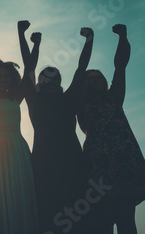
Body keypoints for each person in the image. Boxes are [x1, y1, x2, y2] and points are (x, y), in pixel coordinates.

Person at [18, 20, 93, 234]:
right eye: (46, 78)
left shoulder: (68, 99)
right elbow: (29, 67)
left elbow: (81, 68)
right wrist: (24, 36)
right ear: (40, 82)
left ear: (60, 81)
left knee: (79, 216)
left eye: (55, 78)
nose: (51, 81)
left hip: (73, 162)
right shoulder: (34, 100)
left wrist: (89, 39)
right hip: (43, 163)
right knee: (47, 216)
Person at [77, 24, 145, 234]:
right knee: (101, 223)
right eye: (92, 78)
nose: (97, 79)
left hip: (125, 167)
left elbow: (121, 65)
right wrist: (89, 40)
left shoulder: (114, 98)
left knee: (127, 222)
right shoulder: (80, 104)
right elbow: (80, 69)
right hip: (99, 170)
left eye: (99, 77)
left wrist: (122, 36)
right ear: (84, 85)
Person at [0, 52, 38, 233]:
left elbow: (29, 71)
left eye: (7, 77)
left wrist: (32, 42)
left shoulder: (14, 98)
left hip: (17, 150)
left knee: (18, 194)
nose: (3, 80)